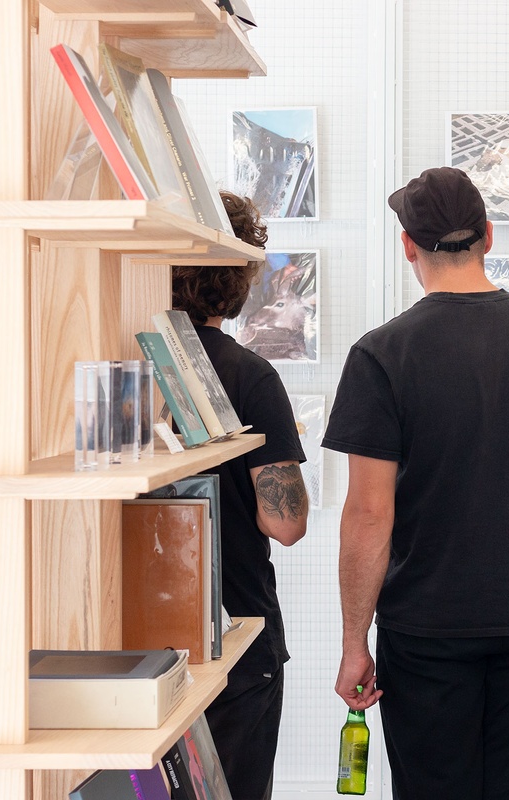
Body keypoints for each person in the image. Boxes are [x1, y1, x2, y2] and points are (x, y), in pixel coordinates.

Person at [323, 166, 509, 800]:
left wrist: (354, 641)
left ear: (408, 245)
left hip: (428, 629)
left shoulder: (382, 355)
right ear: (489, 236)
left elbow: (368, 517)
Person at [172, 190, 310, 800]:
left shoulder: (119, 364)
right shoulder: (252, 376)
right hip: (235, 633)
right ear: (240, 276)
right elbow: (286, 524)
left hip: (134, 640)